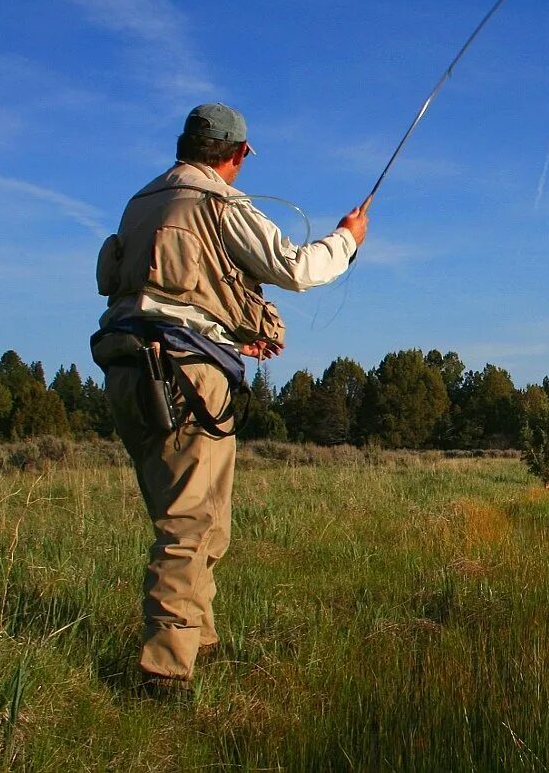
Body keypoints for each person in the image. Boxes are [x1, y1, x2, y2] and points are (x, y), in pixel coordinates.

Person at [90, 103, 369, 694]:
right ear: (238, 153)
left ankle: (201, 641)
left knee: (206, 522)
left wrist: (236, 333)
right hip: (183, 375)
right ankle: (165, 673)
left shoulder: (141, 202)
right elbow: (296, 268)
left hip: (127, 368)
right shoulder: (219, 201)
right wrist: (348, 238)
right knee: (188, 524)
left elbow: (166, 288)